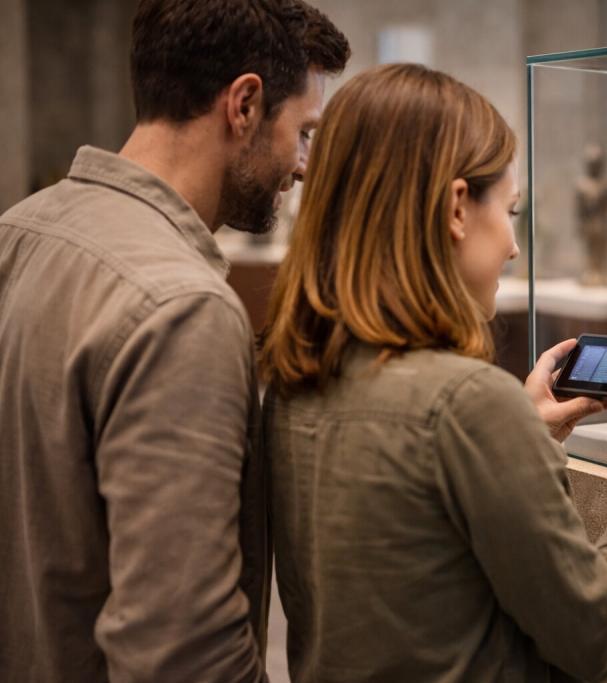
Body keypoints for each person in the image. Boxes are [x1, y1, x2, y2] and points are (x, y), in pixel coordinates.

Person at [260, 63, 607, 682]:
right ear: (455, 208)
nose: (513, 246)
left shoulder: (292, 383)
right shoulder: (468, 404)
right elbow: (599, 633)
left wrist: (523, 432)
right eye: (511, 209)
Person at [0, 2, 349, 681]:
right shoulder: (183, 308)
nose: (303, 166)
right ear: (244, 104)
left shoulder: (16, 231)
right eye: (302, 133)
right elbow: (182, 651)